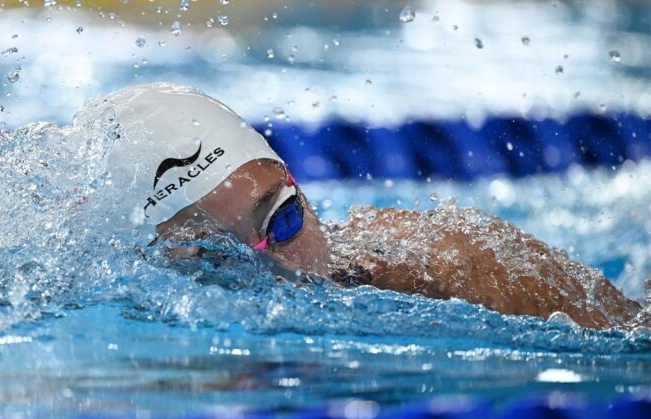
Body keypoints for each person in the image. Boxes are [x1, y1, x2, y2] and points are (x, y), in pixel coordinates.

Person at [97, 83, 643, 330]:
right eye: (219, 257)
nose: (282, 267)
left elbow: (634, 334)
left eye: (283, 220)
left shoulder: (447, 262)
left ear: (301, 190)